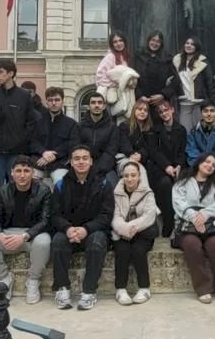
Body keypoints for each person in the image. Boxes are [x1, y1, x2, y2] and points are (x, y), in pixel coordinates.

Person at [0, 156, 52, 303]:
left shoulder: (43, 190)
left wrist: (25, 235)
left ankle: (33, 280)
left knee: (44, 242)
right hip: (9, 234)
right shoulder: (3, 190)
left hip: (32, 234)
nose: (22, 175)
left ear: (33, 173)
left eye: (26, 171)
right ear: (12, 173)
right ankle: (4, 278)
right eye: (18, 171)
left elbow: (46, 221)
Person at [51, 146, 114, 311]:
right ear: (71, 162)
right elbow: (55, 214)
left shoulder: (104, 184)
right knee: (57, 241)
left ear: (91, 161)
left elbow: (107, 215)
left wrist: (86, 229)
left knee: (97, 242)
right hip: (69, 232)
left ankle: (89, 291)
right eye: (77, 158)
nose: (81, 162)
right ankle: (62, 289)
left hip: (94, 231)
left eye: (85, 158)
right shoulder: (60, 185)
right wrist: (67, 229)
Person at [173, 153, 215, 303]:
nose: (210, 166)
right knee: (192, 245)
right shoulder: (183, 182)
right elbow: (178, 202)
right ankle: (203, 288)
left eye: (213, 165)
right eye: (207, 162)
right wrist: (194, 217)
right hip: (188, 226)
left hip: (212, 225)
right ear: (199, 163)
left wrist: (205, 214)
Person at [0, 59, 38, 184]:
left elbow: (31, 123)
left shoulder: (24, 96)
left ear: (11, 73)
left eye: (0, 72)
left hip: (17, 151)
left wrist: (21, 141)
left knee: (17, 184)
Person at [111, 162, 158, 305]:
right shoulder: (116, 193)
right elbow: (115, 215)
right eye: (126, 175)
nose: (130, 179)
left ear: (139, 176)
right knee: (122, 250)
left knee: (138, 250)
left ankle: (144, 288)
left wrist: (132, 227)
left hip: (143, 232)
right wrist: (124, 229)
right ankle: (121, 289)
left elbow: (149, 216)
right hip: (122, 232)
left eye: (133, 175)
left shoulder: (148, 192)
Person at [151, 101, 187, 237]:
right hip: (160, 168)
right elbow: (154, 152)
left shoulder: (181, 129)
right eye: (160, 112)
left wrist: (178, 165)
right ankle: (168, 221)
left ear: (172, 110)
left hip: (178, 167)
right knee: (165, 184)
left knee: (183, 185)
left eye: (166, 110)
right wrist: (166, 166)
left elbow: (183, 151)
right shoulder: (155, 130)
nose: (164, 114)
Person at [168, 37, 215, 131]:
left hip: (200, 102)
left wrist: (212, 102)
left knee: (202, 131)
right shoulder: (176, 60)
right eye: (187, 43)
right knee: (186, 131)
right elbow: (173, 79)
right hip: (184, 102)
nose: (189, 45)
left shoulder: (203, 61)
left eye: (192, 44)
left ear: (196, 47)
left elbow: (210, 83)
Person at [35, 87, 80, 184]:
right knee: (28, 181)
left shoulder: (71, 124)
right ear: (46, 102)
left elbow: (73, 143)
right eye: (50, 100)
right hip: (39, 162)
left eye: (57, 100)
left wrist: (54, 154)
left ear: (63, 102)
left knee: (61, 183)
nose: (54, 103)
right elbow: (32, 141)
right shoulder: (38, 122)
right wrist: (43, 152)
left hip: (60, 164)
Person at [78, 92, 121, 184]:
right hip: (83, 167)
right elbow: (77, 148)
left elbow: (111, 151)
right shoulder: (80, 126)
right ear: (88, 106)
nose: (96, 105)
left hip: (106, 169)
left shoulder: (112, 127)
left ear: (104, 106)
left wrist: (97, 170)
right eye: (93, 103)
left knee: (111, 185)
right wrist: (86, 166)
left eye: (99, 102)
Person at [133, 30, 174, 106]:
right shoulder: (139, 56)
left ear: (161, 43)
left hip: (160, 103)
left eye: (158, 41)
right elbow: (132, 77)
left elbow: (175, 80)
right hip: (142, 101)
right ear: (148, 40)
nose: (155, 43)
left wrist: (163, 95)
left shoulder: (167, 59)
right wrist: (139, 96)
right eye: (153, 40)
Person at [119, 100, 159, 172]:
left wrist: (141, 155)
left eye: (145, 110)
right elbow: (124, 143)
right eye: (140, 109)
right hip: (126, 157)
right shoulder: (124, 126)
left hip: (144, 158)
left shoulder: (150, 129)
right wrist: (132, 154)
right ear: (134, 110)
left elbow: (151, 147)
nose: (142, 112)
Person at [95, 32, 131, 96]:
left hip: (126, 94)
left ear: (124, 42)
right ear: (112, 45)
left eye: (120, 40)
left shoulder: (127, 56)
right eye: (115, 42)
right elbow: (100, 76)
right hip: (113, 94)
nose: (118, 44)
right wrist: (115, 84)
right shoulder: (110, 56)